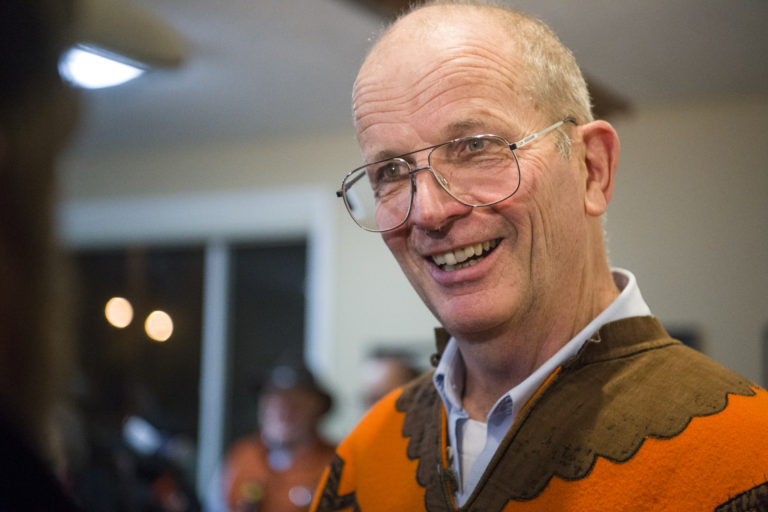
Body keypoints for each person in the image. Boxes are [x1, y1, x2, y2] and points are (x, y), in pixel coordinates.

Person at [312, 1, 768, 511]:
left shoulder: (749, 458)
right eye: (391, 173)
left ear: (592, 170)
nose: (429, 213)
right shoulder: (364, 457)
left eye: (474, 147)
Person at [222, 365, 335, 512]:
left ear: (317, 408)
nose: (282, 410)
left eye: (296, 401)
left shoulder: (336, 463)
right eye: (273, 399)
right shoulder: (241, 456)